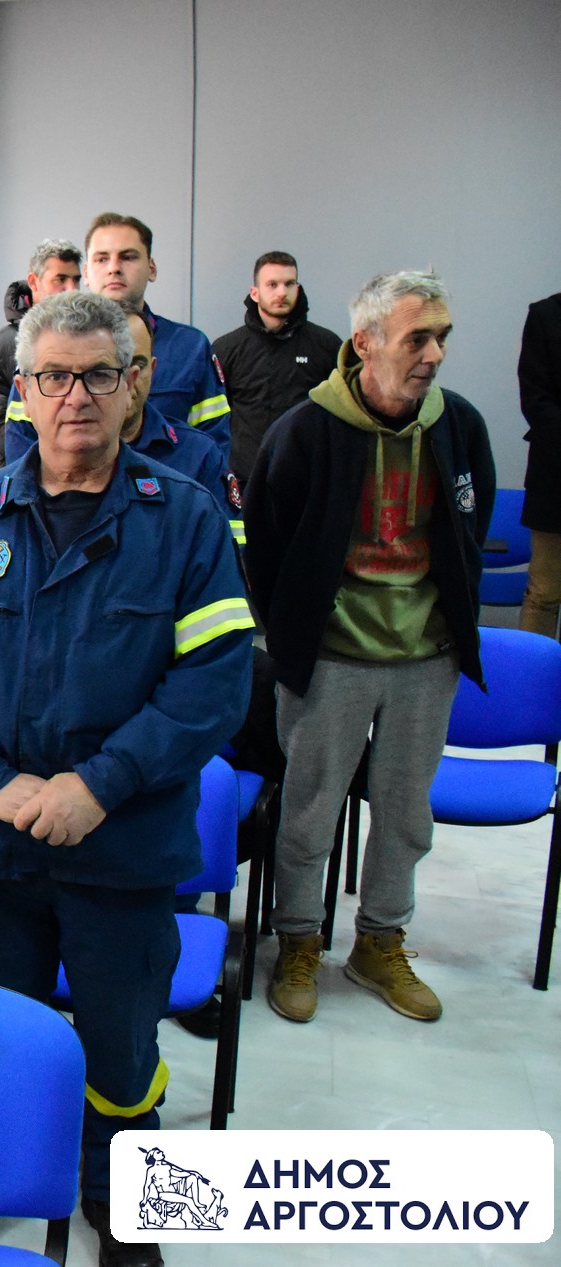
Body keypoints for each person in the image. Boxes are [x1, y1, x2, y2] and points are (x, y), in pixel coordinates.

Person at [0, 290, 253, 1267]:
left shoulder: (185, 520)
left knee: (122, 1047)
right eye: (54, 376)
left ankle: (122, 1196)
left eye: (99, 374)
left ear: (134, 385)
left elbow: (214, 683)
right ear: (23, 389)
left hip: (123, 849)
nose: (76, 396)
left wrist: (98, 784)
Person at [245, 271, 494, 1027]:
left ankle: (381, 941)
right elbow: (267, 546)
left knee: (406, 812)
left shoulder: (459, 424)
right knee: (309, 810)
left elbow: (471, 525)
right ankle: (298, 940)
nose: (435, 354)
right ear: (366, 342)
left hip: (426, 655)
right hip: (332, 659)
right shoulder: (304, 431)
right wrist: (298, 638)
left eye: (442, 337)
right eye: (418, 338)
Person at [5, 213, 230, 465]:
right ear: (86, 273)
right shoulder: (45, 345)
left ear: (152, 268)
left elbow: (213, 443)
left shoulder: (189, 347)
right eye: (102, 259)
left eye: (128, 257)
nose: (114, 268)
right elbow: (21, 446)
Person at [211, 252, 341, 489]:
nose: (282, 292)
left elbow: (340, 416)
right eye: (272, 284)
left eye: (289, 284)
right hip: (245, 482)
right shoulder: (226, 349)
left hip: (308, 481)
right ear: (255, 293)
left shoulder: (327, 346)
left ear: (298, 288)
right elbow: (213, 421)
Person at [120, 310, 242, 548]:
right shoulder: (60, 456)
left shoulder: (199, 456)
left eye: (138, 365)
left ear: (153, 369)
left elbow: (228, 551)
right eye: (112, 368)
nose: (128, 380)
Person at [0, 239, 80, 472]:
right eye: (61, 279)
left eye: (76, 280)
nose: (72, 289)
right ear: (34, 282)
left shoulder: (87, 342)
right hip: (17, 473)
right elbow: (1, 431)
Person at [517, 291, 561, 637]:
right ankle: (536, 669)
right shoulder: (546, 315)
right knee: (544, 593)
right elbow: (535, 400)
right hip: (555, 477)